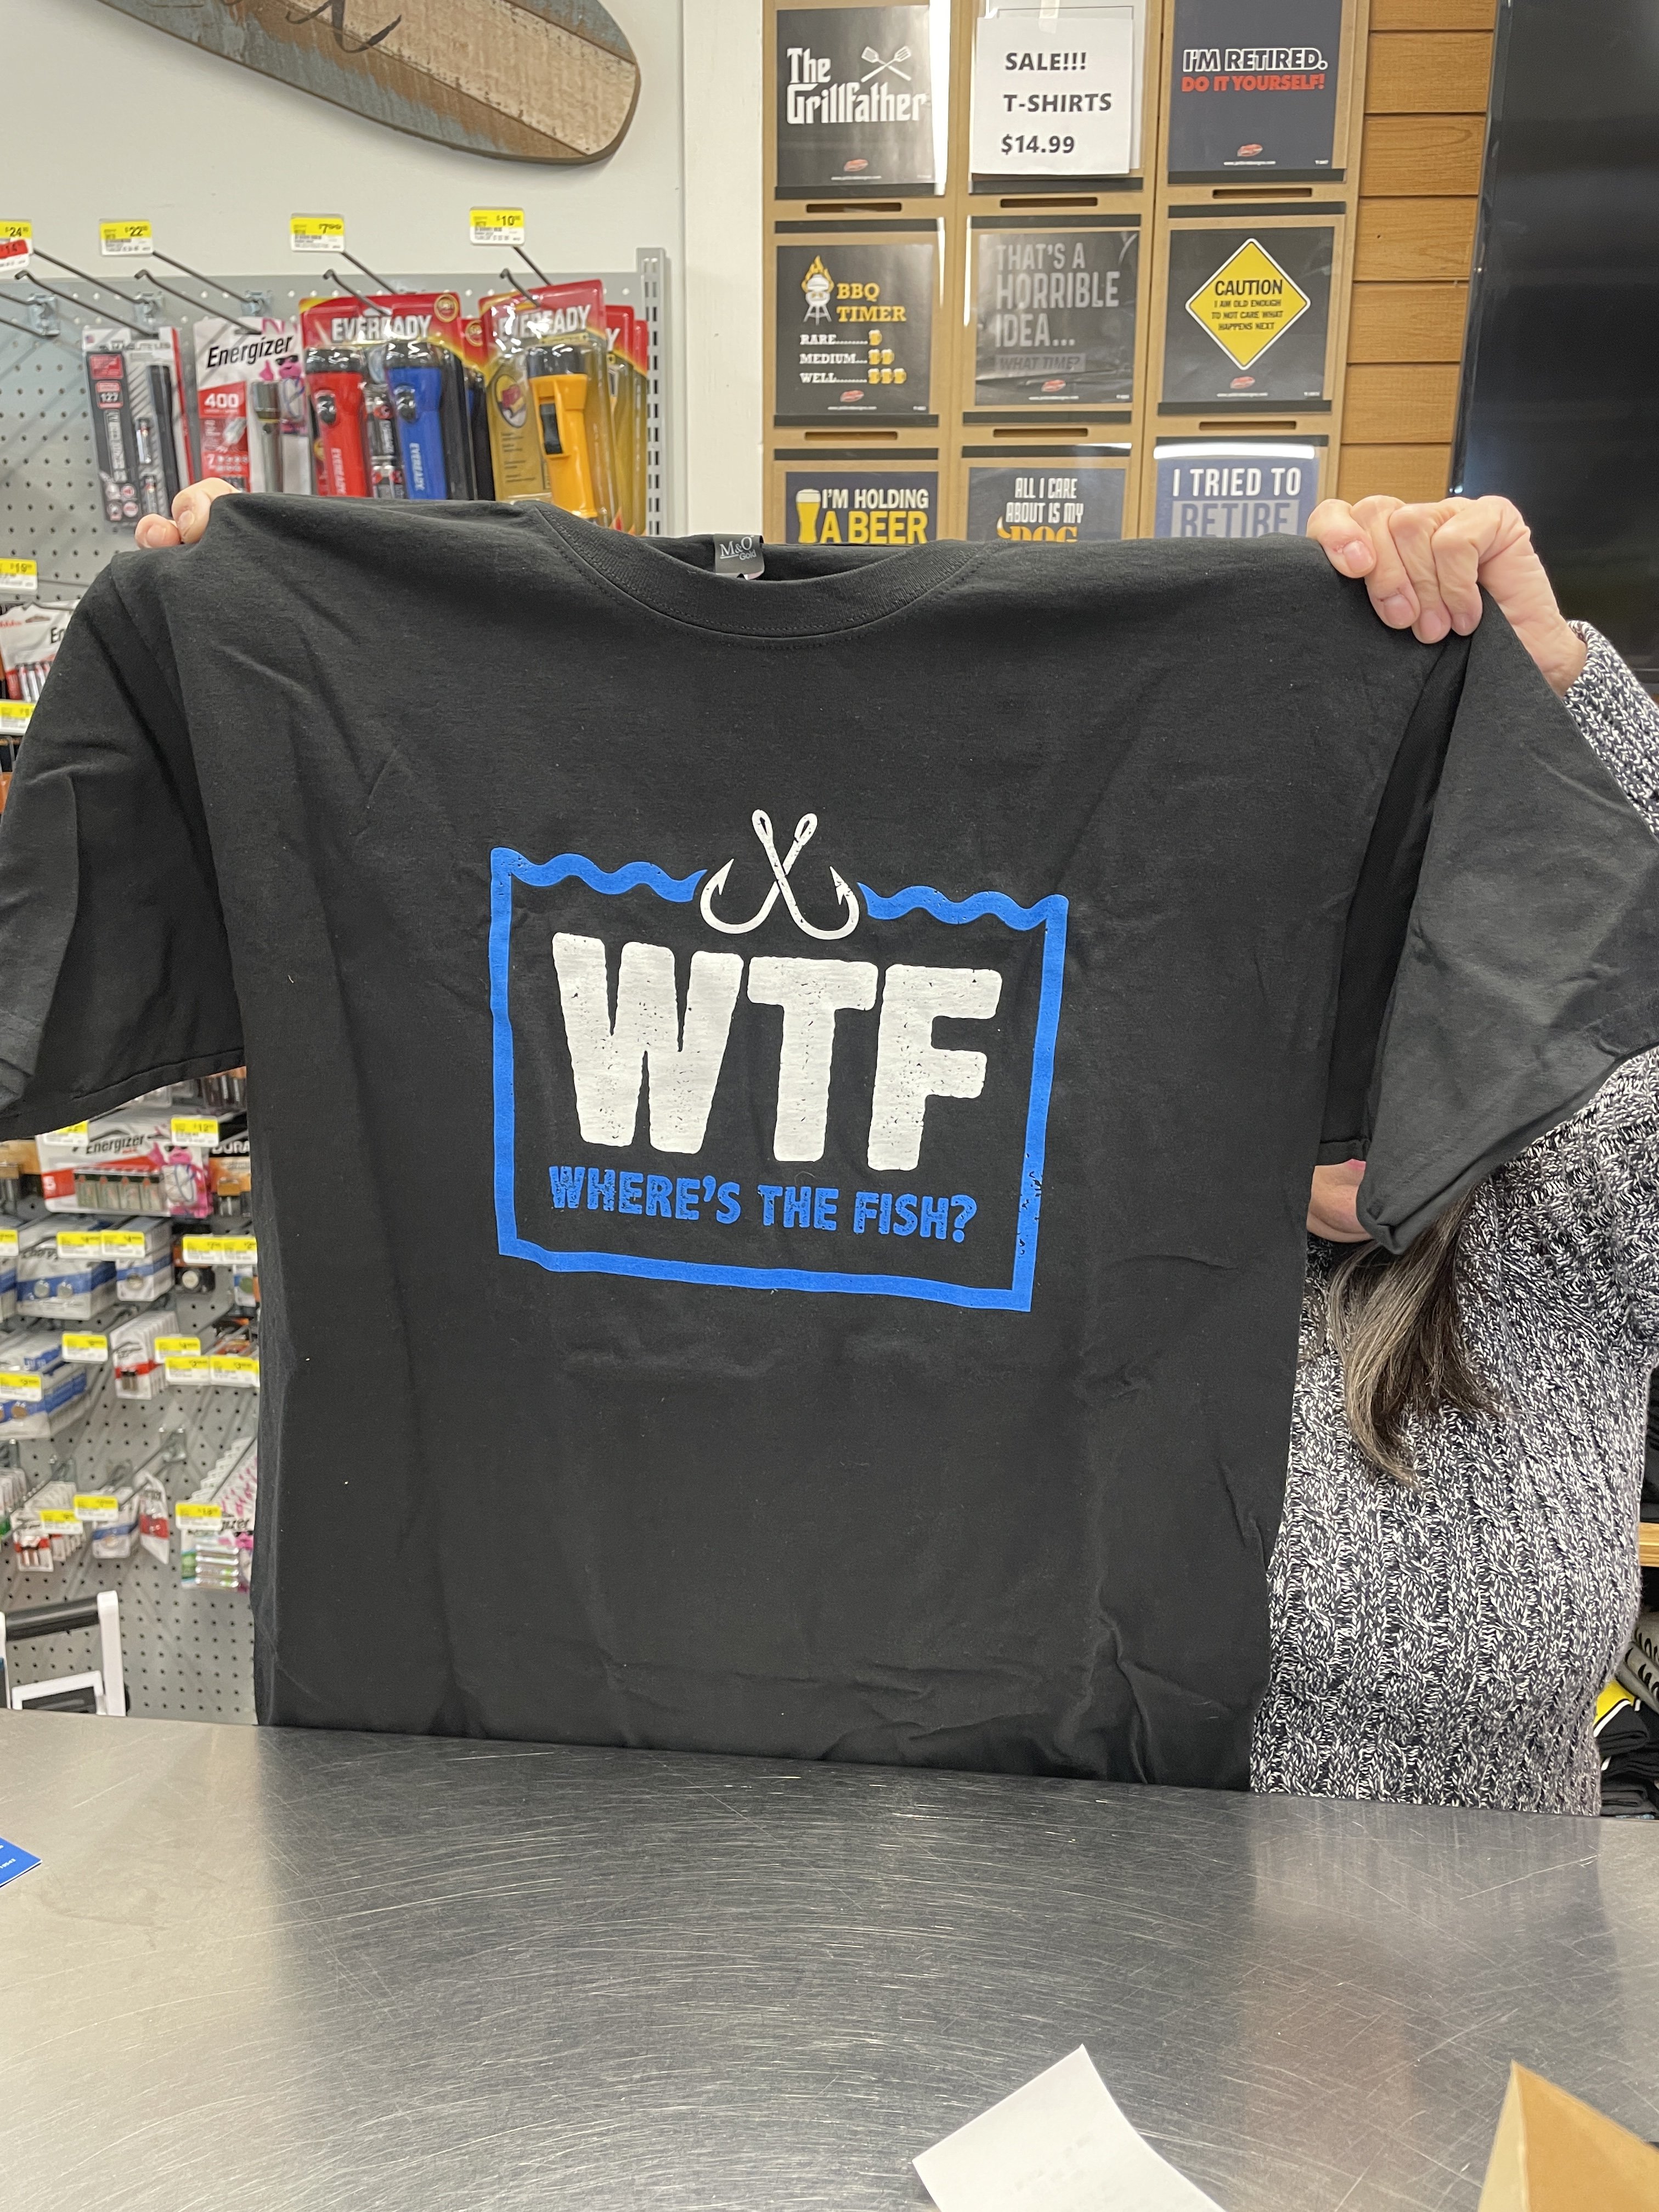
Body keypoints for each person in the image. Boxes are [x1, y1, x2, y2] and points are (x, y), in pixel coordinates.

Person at [132, 482, 1657, 1815]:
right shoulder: (1054, 1133)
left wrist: (1567, 703)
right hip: (793, 1917)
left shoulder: (1575, 1198)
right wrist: (252, 653)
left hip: (1458, 1988)